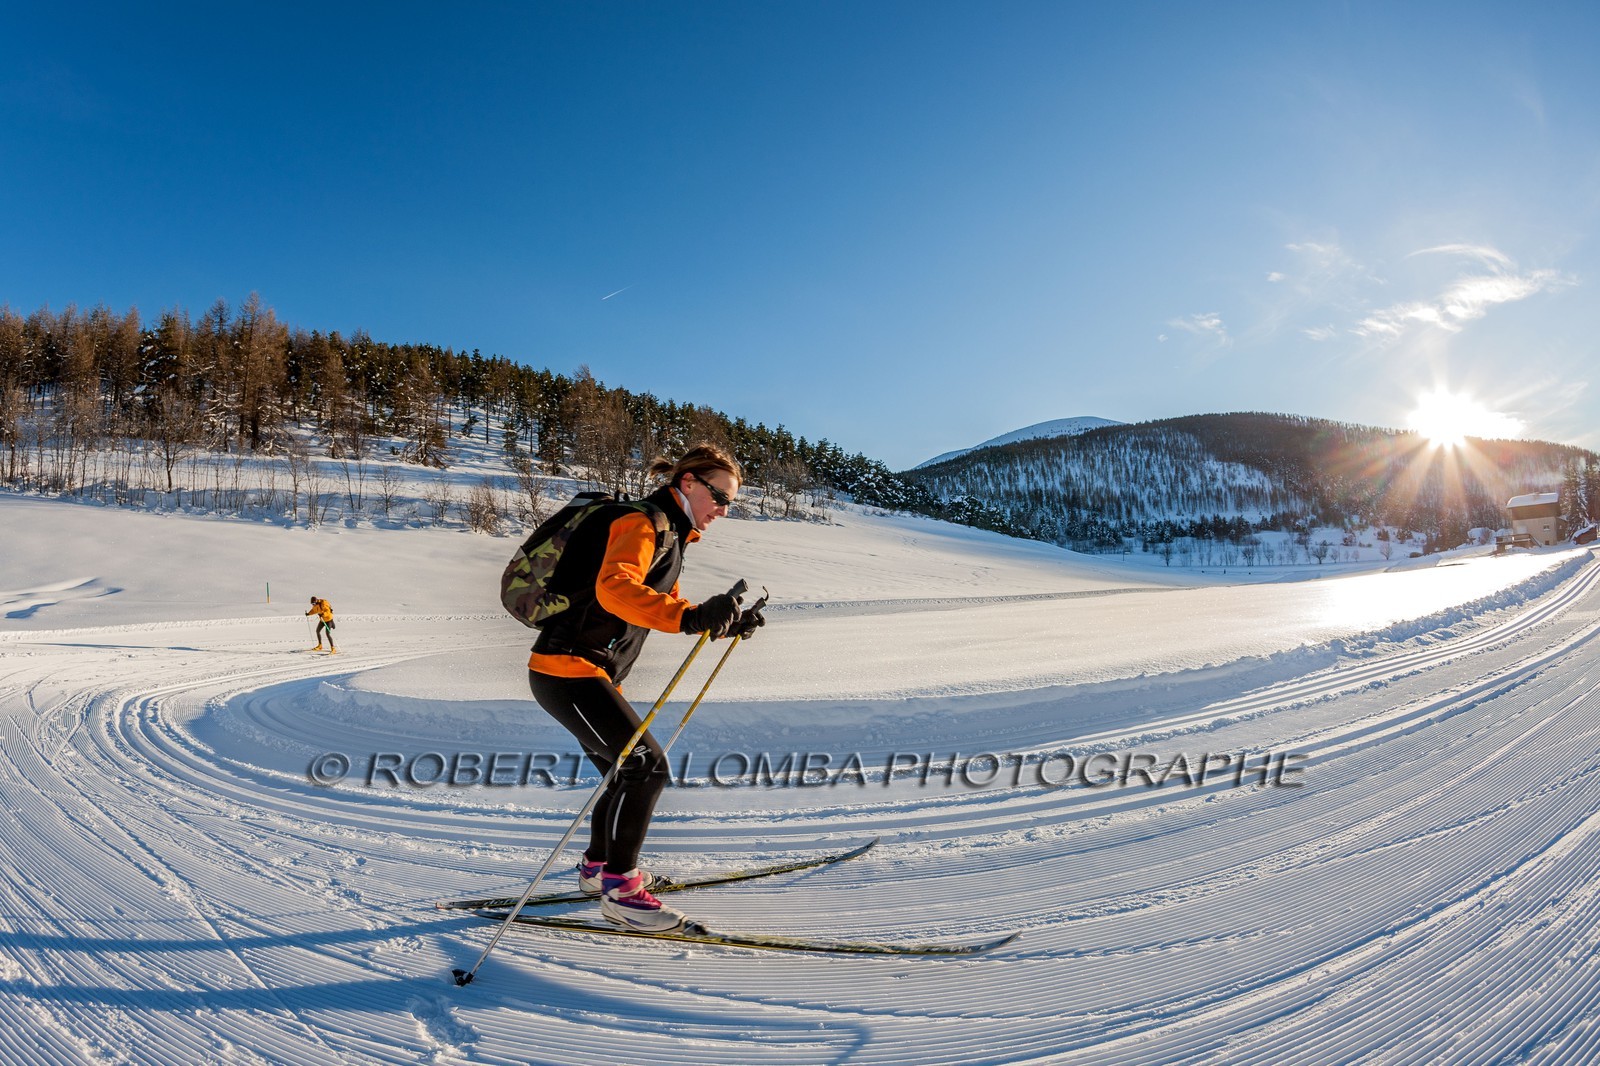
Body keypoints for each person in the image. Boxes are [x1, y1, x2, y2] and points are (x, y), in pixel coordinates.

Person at [528, 444, 759, 932]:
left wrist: (722, 622)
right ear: (690, 483)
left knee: (622, 772)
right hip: (567, 669)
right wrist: (691, 617)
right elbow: (617, 588)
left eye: (730, 503)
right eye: (720, 496)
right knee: (647, 769)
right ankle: (621, 890)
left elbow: (663, 600)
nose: (723, 509)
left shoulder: (670, 534)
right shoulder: (642, 522)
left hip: (581, 672)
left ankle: (597, 871)